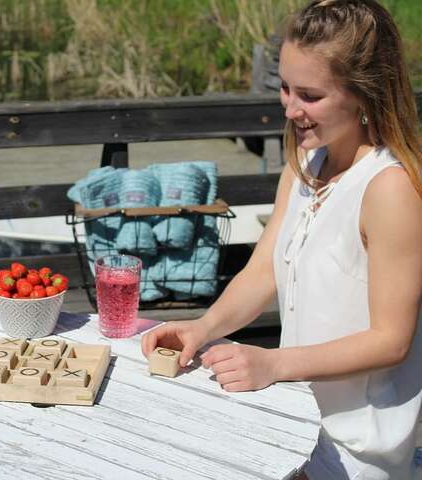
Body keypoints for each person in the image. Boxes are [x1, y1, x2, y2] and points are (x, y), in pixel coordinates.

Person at [142, 1, 422, 478]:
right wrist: (202, 328)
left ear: (363, 94)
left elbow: (391, 341)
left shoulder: (390, 188)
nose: (291, 109)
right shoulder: (304, 165)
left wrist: (272, 364)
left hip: (358, 449)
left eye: (310, 96)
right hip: (295, 418)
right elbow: (263, 269)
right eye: (286, 88)